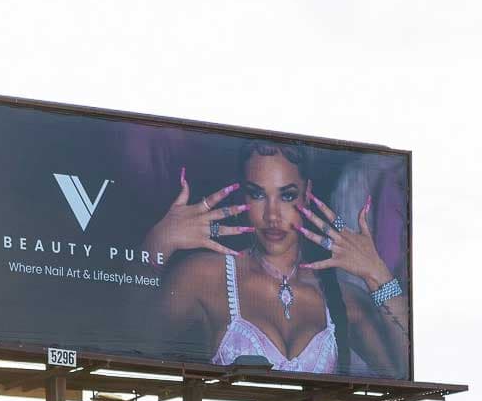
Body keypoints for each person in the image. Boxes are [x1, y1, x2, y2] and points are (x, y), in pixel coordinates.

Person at [141, 141, 408, 376]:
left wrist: (377, 273)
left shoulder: (342, 299)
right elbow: (130, 342)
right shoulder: (204, 276)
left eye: (287, 195)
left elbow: (403, 368)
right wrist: (156, 244)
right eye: (257, 194)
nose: (272, 215)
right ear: (242, 195)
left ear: (307, 193)